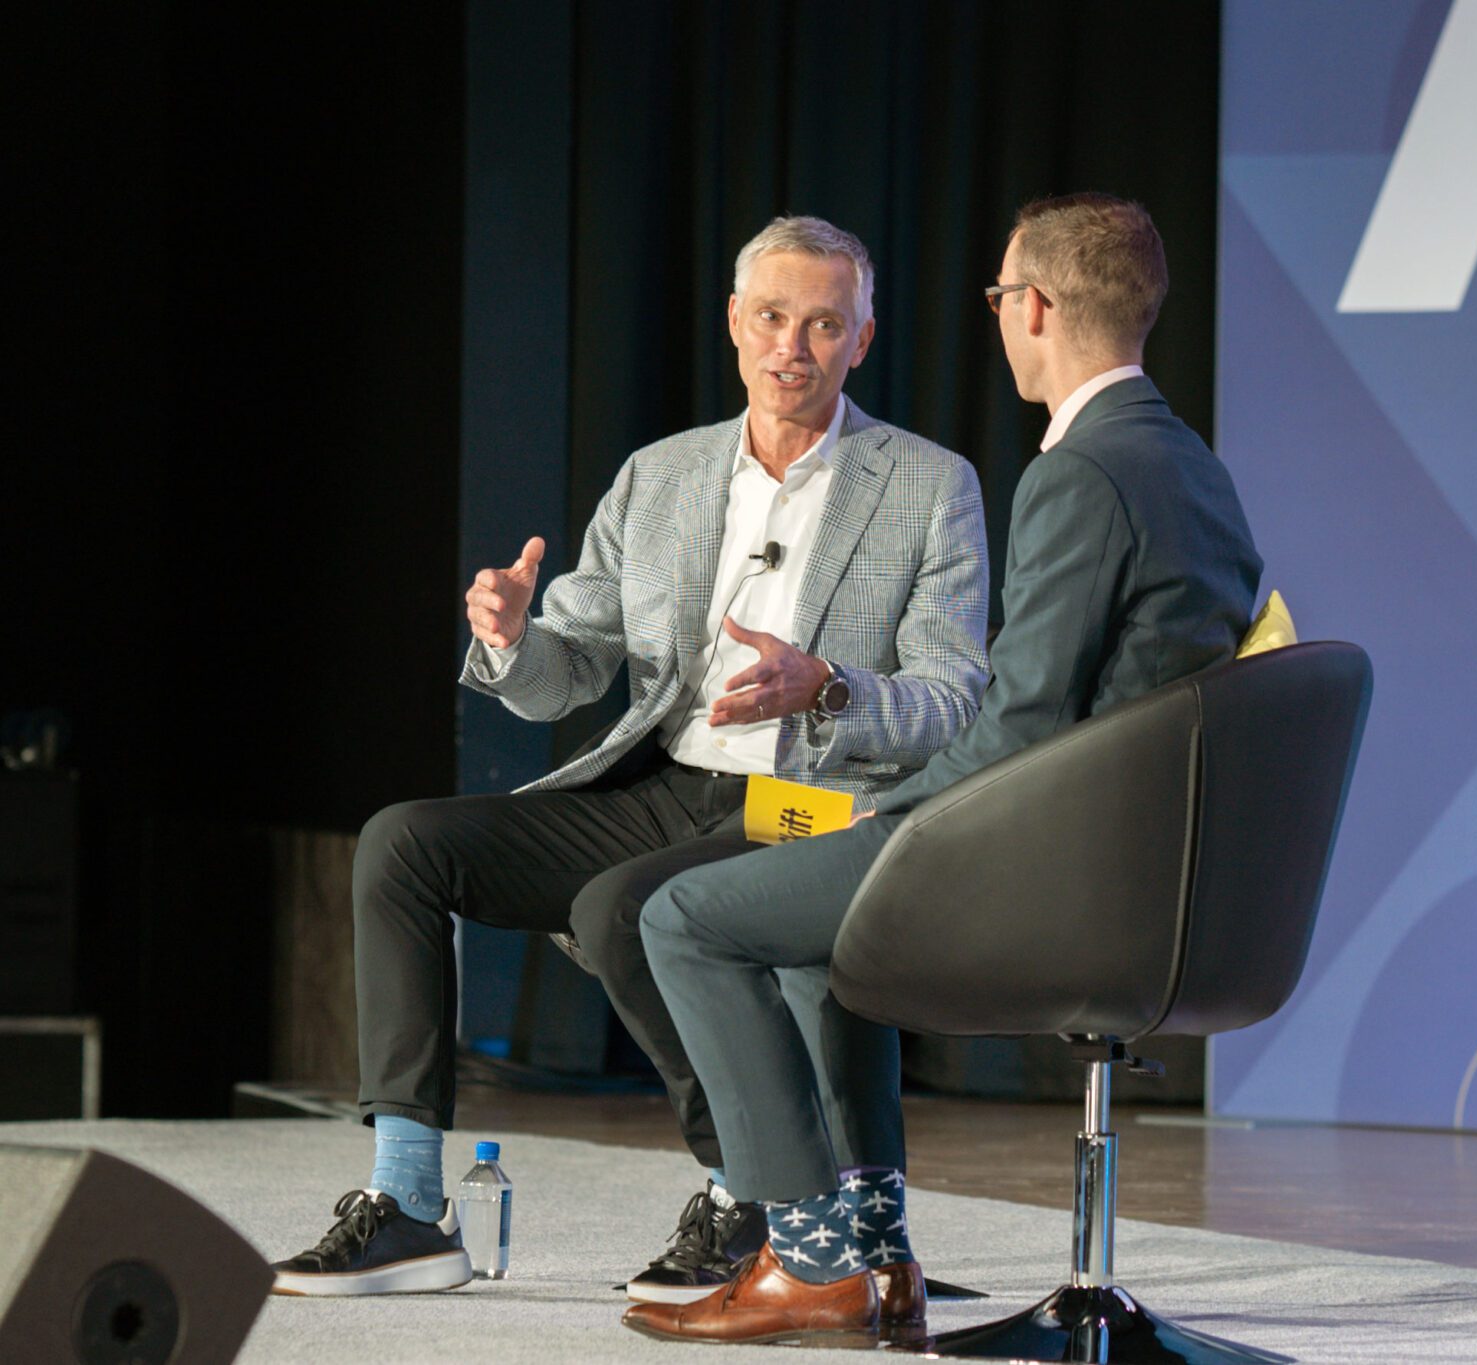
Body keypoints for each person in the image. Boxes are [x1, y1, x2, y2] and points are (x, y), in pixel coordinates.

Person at [268, 216, 990, 1298]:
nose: (792, 346)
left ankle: (745, 1188)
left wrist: (827, 686)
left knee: (618, 909)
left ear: (862, 339)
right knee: (403, 844)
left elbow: (951, 699)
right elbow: (572, 672)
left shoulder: (927, 485)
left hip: (801, 805)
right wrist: (513, 638)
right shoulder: (662, 476)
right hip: (656, 783)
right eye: (772, 319)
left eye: (823, 324)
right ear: (734, 325)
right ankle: (409, 1199)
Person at [625, 194, 1262, 1345]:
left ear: (1034, 308)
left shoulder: (1085, 471)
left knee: (683, 919)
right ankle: (878, 1251)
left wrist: (879, 821)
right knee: (805, 924)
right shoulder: (1190, 464)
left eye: (999, 299)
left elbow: (1019, 722)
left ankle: (807, 1257)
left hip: (1062, 873)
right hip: (1167, 876)